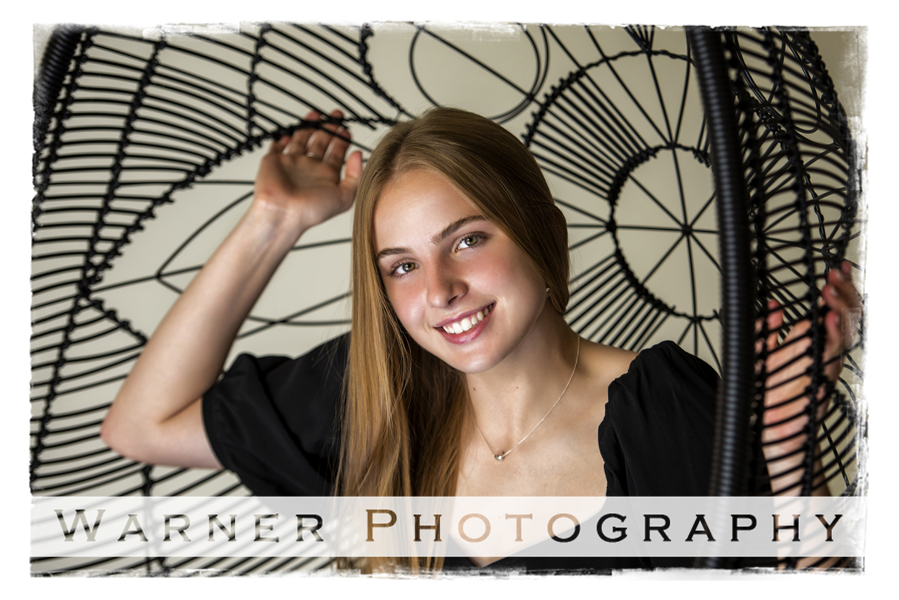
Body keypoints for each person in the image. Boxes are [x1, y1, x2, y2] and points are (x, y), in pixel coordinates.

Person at [100, 107, 860, 573]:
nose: (438, 290)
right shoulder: (373, 402)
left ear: (541, 232)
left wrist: (784, 450)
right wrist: (275, 220)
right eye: (401, 264)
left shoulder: (660, 407)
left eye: (465, 241)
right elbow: (143, 424)